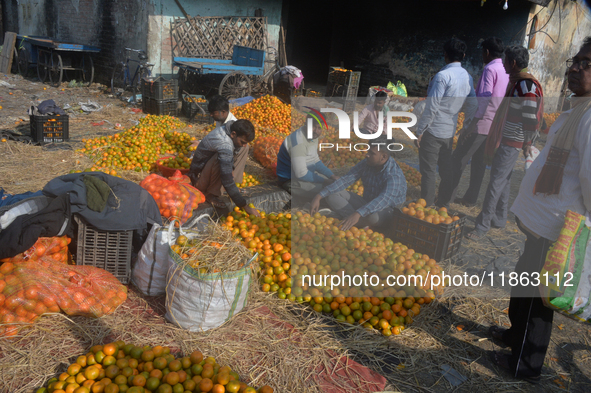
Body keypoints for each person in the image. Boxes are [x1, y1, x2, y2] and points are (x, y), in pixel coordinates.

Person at [487, 38, 591, 382]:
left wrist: (581, 230)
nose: (575, 68)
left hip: (558, 226)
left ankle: (524, 365)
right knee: (523, 282)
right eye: (575, 61)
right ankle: (514, 335)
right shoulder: (578, 108)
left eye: (586, 64)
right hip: (543, 222)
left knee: (536, 299)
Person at [467, 46, 543, 239]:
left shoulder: (525, 85)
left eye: (506, 61)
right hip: (507, 138)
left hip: (513, 141)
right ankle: (500, 218)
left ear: (514, 63)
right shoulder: (517, 83)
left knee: (495, 182)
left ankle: (482, 226)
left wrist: (527, 142)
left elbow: (530, 116)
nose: (504, 64)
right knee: (504, 179)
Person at [438, 37, 509, 207]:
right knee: (479, 163)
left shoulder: (490, 69)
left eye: (482, 52)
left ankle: (445, 199)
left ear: (486, 52)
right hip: (494, 125)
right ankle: (470, 199)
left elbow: (484, 100)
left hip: (482, 123)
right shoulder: (505, 70)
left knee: (458, 160)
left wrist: (471, 126)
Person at [413, 37, 477, 207]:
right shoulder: (467, 77)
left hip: (433, 130)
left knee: (428, 171)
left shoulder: (443, 76)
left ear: (445, 55)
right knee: (446, 169)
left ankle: (426, 205)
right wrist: (466, 126)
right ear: (463, 55)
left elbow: (432, 106)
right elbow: (473, 104)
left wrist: (420, 131)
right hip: (449, 131)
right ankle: (443, 203)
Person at [310, 138, 407, 231]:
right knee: (331, 195)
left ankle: (349, 218)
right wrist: (319, 196)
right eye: (368, 151)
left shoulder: (394, 175)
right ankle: (355, 221)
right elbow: (346, 180)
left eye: (372, 153)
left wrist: (358, 213)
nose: (367, 155)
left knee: (372, 217)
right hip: (366, 204)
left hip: (386, 212)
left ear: (383, 157)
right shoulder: (367, 163)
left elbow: (384, 199)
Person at [188, 119, 260, 217]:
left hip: (210, 167)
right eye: (242, 141)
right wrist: (245, 206)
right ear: (233, 134)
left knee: (244, 148)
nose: (244, 144)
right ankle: (210, 193)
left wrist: (231, 171)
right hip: (199, 176)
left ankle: (231, 185)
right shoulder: (224, 143)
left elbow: (236, 150)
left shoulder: (231, 127)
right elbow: (226, 178)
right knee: (221, 159)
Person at [276, 115, 339, 205]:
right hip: (290, 180)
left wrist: (332, 176)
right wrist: (325, 181)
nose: (316, 131)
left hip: (304, 175)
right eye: (313, 126)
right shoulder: (298, 142)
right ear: (306, 124)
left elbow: (316, 161)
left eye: (319, 128)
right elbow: (301, 173)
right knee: (328, 193)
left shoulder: (313, 136)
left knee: (335, 186)